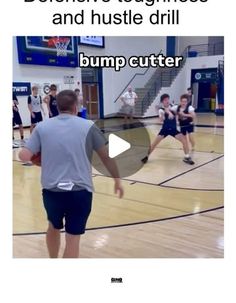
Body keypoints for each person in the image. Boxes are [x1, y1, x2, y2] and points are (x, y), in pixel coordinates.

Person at [19, 90, 124, 258]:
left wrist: (39, 161)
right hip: (80, 191)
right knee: (73, 239)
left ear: (57, 106)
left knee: (53, 227)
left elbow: (23, 156)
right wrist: (117, 180)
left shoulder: (42, 127)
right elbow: (106, 157)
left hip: (52, 191)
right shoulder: (89, 126)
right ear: (76, 107)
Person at [141, 93, 195, 165]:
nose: (167, 101)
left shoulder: (173, 107)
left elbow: (179, 109)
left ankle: (187, 157)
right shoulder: (161, 110)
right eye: (165, 100)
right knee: (154, 144)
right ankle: (146, 156)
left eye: (167, 99)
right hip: (165, 130)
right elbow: (161, 119)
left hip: (173, 130)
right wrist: (164, 115)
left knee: (184, 140)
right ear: (162, 102)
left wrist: (184, 113)